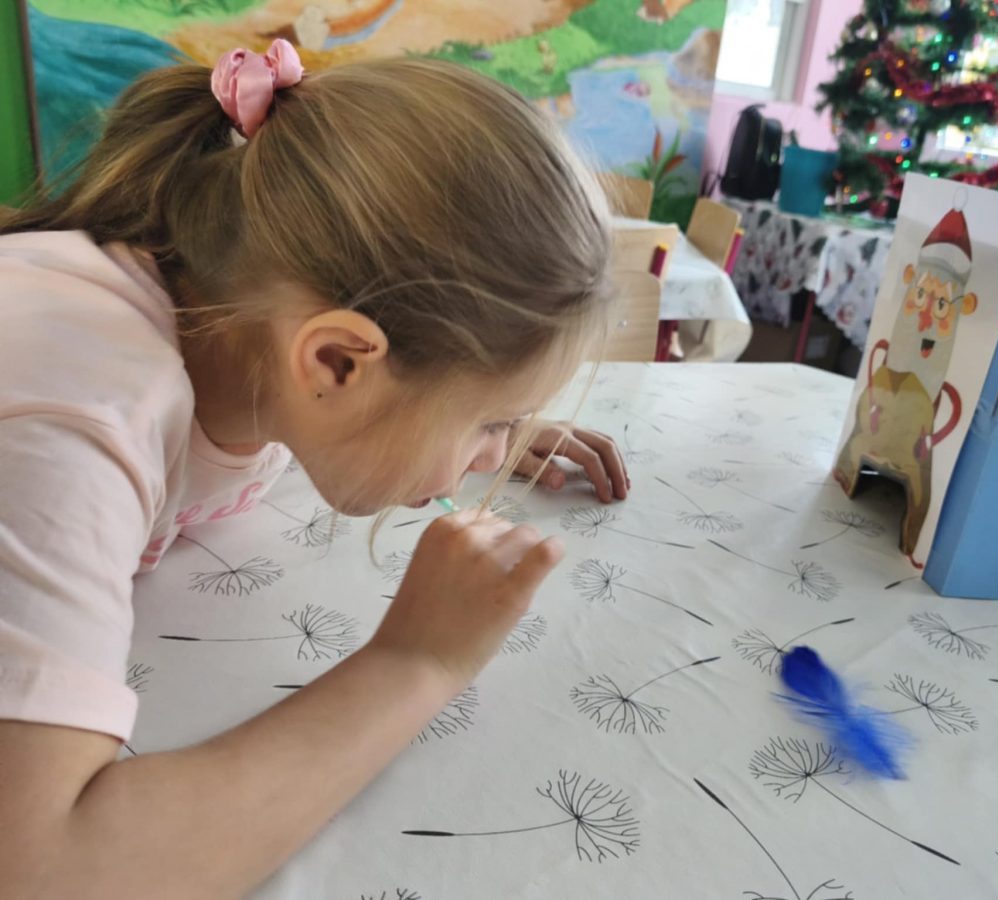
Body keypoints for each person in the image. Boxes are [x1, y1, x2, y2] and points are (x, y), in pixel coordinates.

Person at [0, 40, 628, 896]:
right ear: (336, 361)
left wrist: (461, 410)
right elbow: (45, 870)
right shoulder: (77, 416)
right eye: (491, 423)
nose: (497, 451)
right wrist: (416, 662)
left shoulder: (242, 329)